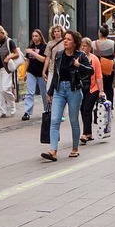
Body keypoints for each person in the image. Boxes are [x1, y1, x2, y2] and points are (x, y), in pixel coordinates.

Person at [42, 30, 94, 161]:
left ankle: (75, 149)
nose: (65, 41)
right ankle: (53, 151)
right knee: (55, 120)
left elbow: (91, 71)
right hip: (59, 90)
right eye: (65, 39)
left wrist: (78, 65)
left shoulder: (80, 55)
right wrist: (50, 92)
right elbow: (56, 75)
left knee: (74, 120)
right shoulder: (59, 54)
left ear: (75, 42)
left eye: (69, 39)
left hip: (74, 90)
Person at [79, 36, 104, 144]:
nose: (83, 48)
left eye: (85, 46)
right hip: (81, 88)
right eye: (81, 46)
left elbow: (98, 76)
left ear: (89, 47)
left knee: (87, 109)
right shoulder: (78, 58)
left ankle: (85, 133)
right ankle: (88, 133)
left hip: (92, 88)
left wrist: (101, 91)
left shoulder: (94, 59)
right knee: (82, 110)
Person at [21, 29, 49, 121]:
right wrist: (24, 72)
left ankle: (47, 109)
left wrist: (32, 52)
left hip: (41, 73)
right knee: (29, 92)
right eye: (33, 36)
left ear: (40, 37)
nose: (34, 38)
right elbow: (28, 60)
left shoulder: (44, 46)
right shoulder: (31, 46)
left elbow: (43, 59)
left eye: (36, 36)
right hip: (31, 72)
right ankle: (27, 111)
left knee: (44, 93)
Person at [95, 27, 115, 106]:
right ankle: (110, 106)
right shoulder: (112, 43)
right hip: (109, 69)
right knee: (109, 89)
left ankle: (99, 105)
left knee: (99, 88)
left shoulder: (93, 44)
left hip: (97, 69)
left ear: (100, 33)